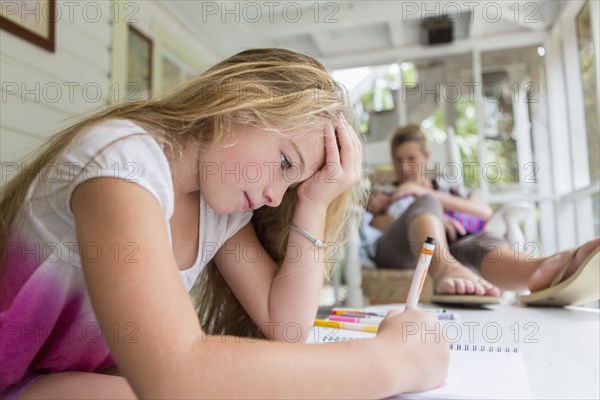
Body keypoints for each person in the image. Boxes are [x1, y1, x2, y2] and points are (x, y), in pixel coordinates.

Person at [0, 49, 449, 399]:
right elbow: (177, 375)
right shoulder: (123, 162)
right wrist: (392, 362)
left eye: (290, 185)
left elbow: (287, 328)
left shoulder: (220, 210)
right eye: (284, 162)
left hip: (56, 382)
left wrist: (313, 201)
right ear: (240, 101)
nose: (276, 195)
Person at [364, 124, 599, 299]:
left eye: (411, 158)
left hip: (455, 245)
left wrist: (431, 196)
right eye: (397, 160)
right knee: (426, 202)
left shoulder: (447, 187)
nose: (404, 166)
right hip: (403, 250)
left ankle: (540, 270)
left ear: (426, 157)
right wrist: (427, 213)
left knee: (483, 241)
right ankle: (445, 269)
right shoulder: (385, 193)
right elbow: (376, 225)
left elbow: (484, 211)